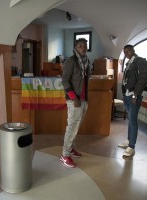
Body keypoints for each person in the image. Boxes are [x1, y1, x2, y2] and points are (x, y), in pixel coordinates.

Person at [60, 38, 92, 168]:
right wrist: (74, 98)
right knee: (72, 127)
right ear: (75, 48)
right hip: (75, 100)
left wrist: (84, 99)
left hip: (84, 100)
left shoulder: (86, 62)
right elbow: (64, 81)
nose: (83, 48)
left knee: (76, 127)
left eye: (85, 46)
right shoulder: (70, 61)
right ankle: (65, 155)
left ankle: (71, 148)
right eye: (80, 46)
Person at [118, 44, 147, 156]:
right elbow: (126, 80)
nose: (126, 54)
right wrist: (124, 94)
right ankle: (128, 140)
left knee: (133, 120)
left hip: (133, 96)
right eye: (125, 52)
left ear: (133, 50)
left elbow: (143, 79)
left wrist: (135, 95)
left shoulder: (140, 61)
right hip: (127, 95)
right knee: (129, 119)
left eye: (128, 51)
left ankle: (132, 147)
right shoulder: (129, 63)